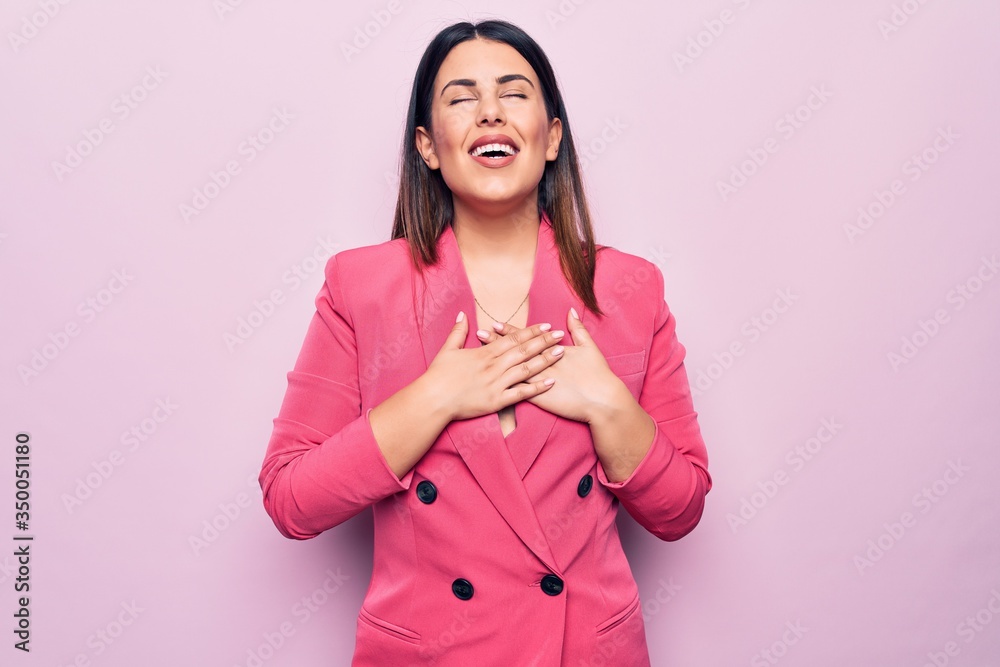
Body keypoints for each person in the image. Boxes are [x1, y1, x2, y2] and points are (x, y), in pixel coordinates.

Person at [258, 18, 712, 666]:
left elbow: (681, 508)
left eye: (515, 92)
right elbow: (291, 498)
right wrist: (434, 398)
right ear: (428, 145)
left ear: (552, 136)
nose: (491, 112)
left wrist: (610, 406)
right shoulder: (362, 287)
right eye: (461, 97)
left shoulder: (630, 289)